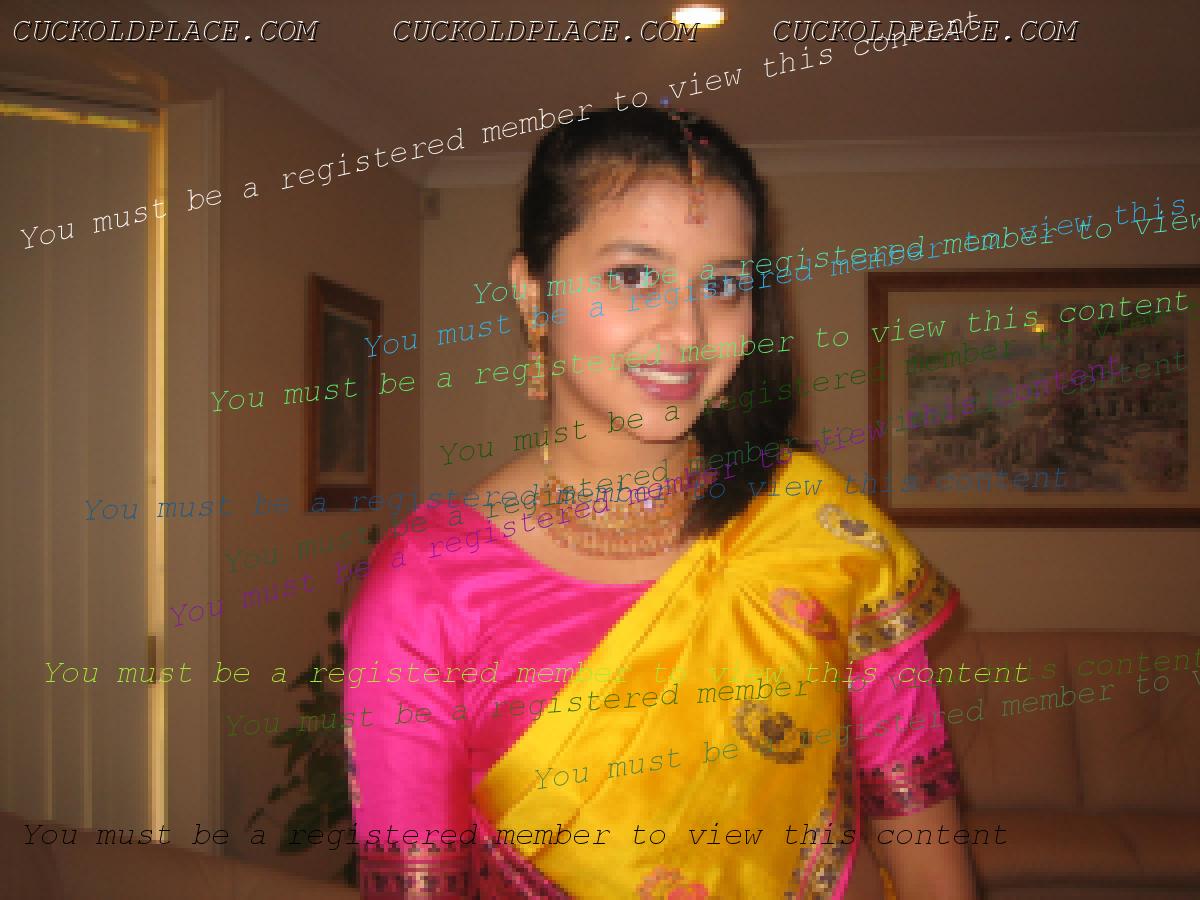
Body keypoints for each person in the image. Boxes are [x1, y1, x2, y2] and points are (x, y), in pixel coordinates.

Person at [344, 107, 977, 899]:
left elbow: (924, 841)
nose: (689, 331)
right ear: (533, 294)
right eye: (635, 275)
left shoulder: (819, 529)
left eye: (723, 285)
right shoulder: (429, 586)